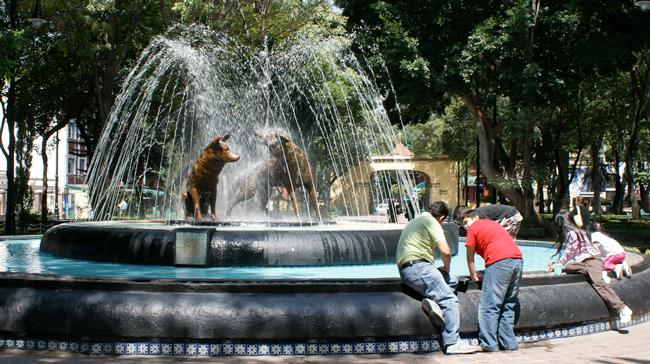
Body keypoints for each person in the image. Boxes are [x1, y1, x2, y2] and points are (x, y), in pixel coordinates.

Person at [396, 201, 477, 355]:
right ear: (442, 218)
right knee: (449, 300)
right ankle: (452, 342)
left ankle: (432, 301)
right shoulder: (432, 222)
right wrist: (445, 268)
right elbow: (446, 251)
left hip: (408, 269)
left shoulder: (416, 220)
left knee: (452, 281)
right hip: (419, 268)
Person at [548, 211, 632, 324]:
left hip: (592, 261)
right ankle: (598, 272)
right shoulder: (579, 231)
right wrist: (557, 264)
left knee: (598, 284)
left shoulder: (572, 233)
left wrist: (558, 263)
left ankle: (622, 309)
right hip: (586, 263)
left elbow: (569, 252)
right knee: (569, 267)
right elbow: (572, 253)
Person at [462, 211, 523, 352]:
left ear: (476, 218)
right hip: (517, 260)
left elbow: (469, 257)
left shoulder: (474, 227)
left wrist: (473, 276)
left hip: (499, 262)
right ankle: (509, 343)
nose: (466, 226)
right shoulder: (493, 224)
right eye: (463, 224)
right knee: (508, 304)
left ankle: (488, 344)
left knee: (489, 305)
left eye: (466, 222)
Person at [453, 204, 523, 238]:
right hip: (506, 216)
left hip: (511, 215)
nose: (462, 226)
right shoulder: (474, 216)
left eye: (460, 223)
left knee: (504, 239)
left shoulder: (479, 216)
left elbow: (488, 227)